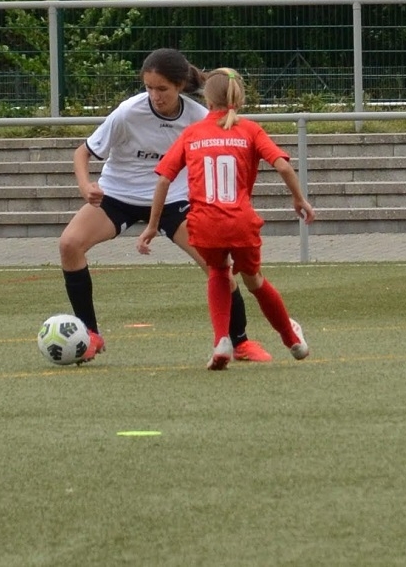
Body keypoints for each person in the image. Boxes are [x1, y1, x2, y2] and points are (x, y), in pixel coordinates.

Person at [56, 48, 272, 363]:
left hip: (174, 199)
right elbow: (82, 152)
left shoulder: (198, 116)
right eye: (149, 88)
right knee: (69, 244)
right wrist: (86, 185)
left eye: (162, 89)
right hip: (118, 195)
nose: (155, 96)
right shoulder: (128, 112)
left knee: (217, 266)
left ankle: (240, 342)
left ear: (180, 85)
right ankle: (89, 334)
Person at [137, 68, 315, 370]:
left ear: (207, 99)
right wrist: (299, 199)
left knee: (218, 273)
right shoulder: (250, 130)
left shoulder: (191, 133)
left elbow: (164, 180)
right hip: (241, 221)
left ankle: (222, 341)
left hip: (204, 222)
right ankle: (292, 340)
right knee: (254, 280)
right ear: (239, 98)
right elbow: (284, 167)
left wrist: (153, 226)